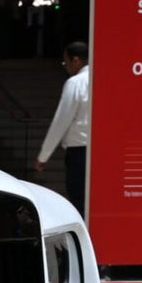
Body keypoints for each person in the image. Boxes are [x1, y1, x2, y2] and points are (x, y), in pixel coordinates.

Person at [35, 41, 91, 215]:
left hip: (79, 151)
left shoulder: (75, 83)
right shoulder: (103, 79)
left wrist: (44, 155)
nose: (65, 66)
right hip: (102, 151)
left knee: (79, 200)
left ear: (76, 60)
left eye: (65, 62)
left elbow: (61, 120)